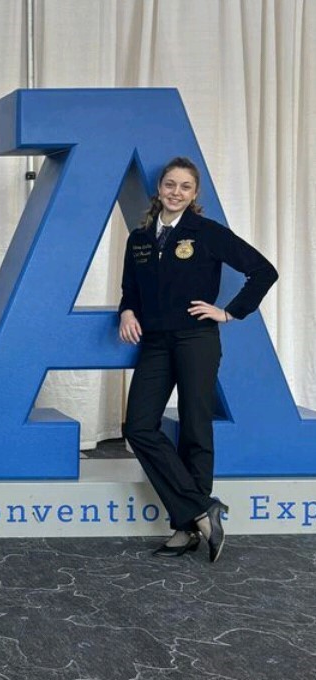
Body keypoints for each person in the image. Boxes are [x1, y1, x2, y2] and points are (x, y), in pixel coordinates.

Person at [118, 157, 277, 563]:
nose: (176, 192)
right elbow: (130, 288)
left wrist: (230, 311)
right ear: (159, 189)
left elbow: (263, 270)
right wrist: (127, 311)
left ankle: (186, 527)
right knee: (138, 426)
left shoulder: (205, 233)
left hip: (195, 340)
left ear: (194, 194)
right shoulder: (138, 238)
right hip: (154, 342)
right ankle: (202, 510)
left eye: (185, 187)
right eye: (170, 185)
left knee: (194, 428)